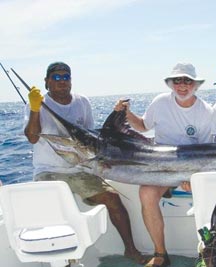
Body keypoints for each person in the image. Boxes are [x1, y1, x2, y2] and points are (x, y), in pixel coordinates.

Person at [23, 62, 147, 264]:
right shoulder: (35, 104)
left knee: (113, 199)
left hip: (80, 169)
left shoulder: (82, 102)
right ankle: (64, 260)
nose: (62, 81)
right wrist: (35, 108)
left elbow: (92, 138)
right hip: (49, 172)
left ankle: (131, 250)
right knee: (56, 214)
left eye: (66, 77)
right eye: (56, 77)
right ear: (47, 82)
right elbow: (32, 138)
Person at [114, 62, 216, 267]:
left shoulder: (206, 111)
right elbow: (142, 126)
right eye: (178, 80)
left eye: (187, 81)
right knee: (146, 193)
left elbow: (206, 151)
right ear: (171, 84)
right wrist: (126, 112)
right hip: (161, 166)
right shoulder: (160, 103)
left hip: (193, 166)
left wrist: (193, 179)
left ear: (195, 85)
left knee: (211, 197)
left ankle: (210, 251)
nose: (182, 85)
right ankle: (160, 253)